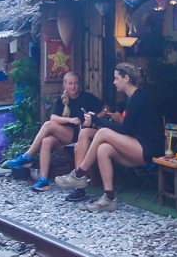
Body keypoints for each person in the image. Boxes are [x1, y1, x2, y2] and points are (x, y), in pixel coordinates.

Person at [55, 63, 164, 212]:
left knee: (102, 133)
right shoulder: (131, 98)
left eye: (116, 78)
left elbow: (125, 130)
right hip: (137, 145)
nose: (114, 82)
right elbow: (130, 127)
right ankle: (109, 197)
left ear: (126, 78)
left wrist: (97, 120)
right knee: (103, 149)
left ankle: (79, 174)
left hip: (148, 149)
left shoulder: (138, 98)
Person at [6, 72, 104, 192]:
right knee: (46, 141)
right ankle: (43, 180)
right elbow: (54, 117)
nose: (73, 87)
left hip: (79, 134)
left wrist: (94, 119)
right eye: (70, 84)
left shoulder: (87, 97)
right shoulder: (61, 99)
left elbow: (105, 109)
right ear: (65, 85)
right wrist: (70, 119)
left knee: (48, 125)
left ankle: (27, 156)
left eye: (76, 83)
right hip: (65, 135)